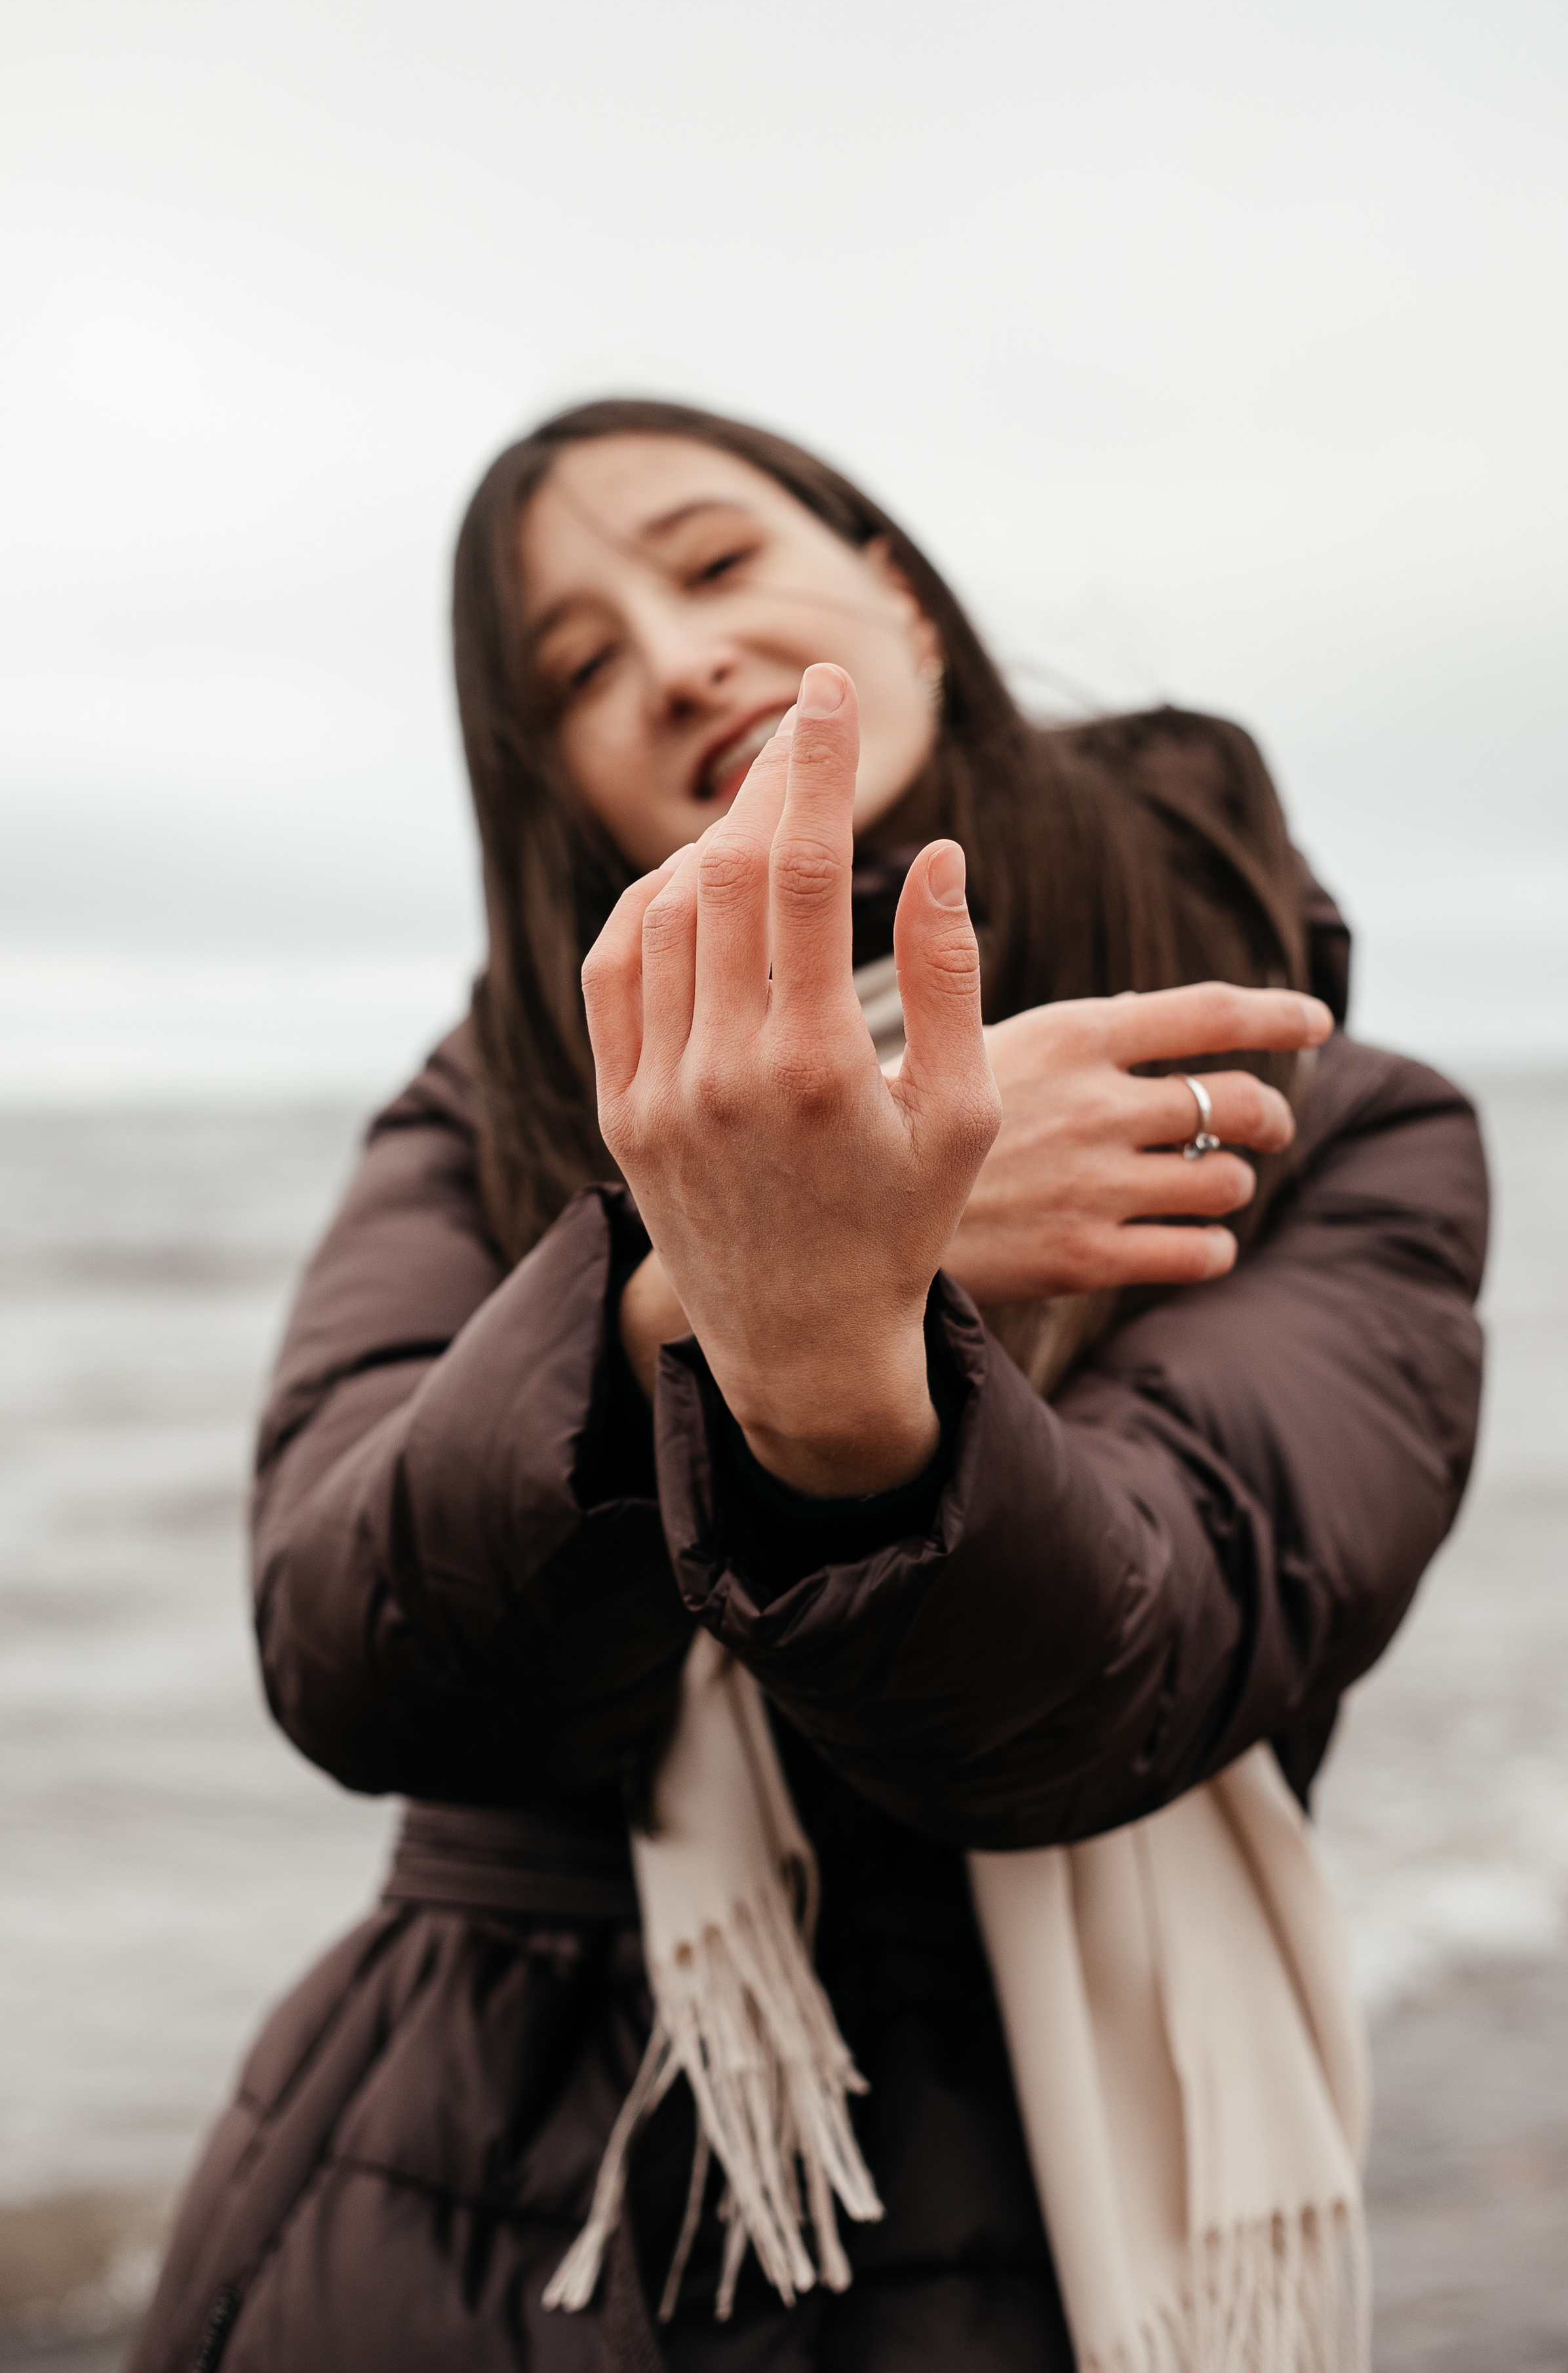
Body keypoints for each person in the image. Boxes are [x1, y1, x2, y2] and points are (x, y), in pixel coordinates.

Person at [128, 401, 1486, 2373]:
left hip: (1040, 2204)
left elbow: (1115, 1682)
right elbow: (352, 1649)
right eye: (577, 671)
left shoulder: (1326, 1124)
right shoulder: (484, 1109)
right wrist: (711, 1273)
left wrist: (846, 1354)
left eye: (715, 564)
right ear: (556, 787)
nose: (677, 662)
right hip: (466, 2185)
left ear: (905, 603)